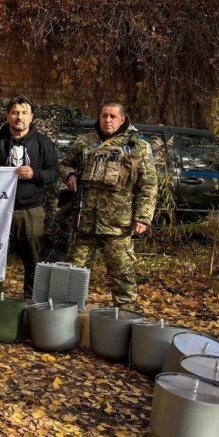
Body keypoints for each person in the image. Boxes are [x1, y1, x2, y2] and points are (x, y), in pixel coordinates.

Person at [58, 102, 158, 308]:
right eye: (104, 116)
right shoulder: (85, 142)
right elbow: (64, 164)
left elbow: (148, 184)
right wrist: (69, 175)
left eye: (113, 116)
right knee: (74, 274)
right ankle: (69, 316)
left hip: (117, 225)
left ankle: (125, 318)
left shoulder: (137, 146)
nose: (108, 120)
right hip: (84, 222)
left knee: (122, 275)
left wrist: (143, 217)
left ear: (123, 119)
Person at [0, 96, 58, 299]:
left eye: (24, 113)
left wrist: (35, 174)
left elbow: (54, 174)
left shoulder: (43, 143)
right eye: (15, 112)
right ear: (8, 116)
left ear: (31, 117)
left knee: (32, 257)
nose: (19, 117)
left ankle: (31, 298)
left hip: (30, 209)